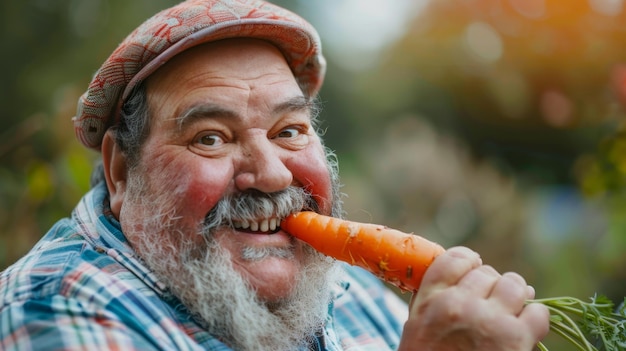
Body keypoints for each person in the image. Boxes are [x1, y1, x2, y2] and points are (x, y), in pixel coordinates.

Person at [0, 0, 550, 350]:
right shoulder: (56, 309)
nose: (268, 173)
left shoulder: (342, 289)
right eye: (210, 137)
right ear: (121, 172)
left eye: (289, 130)